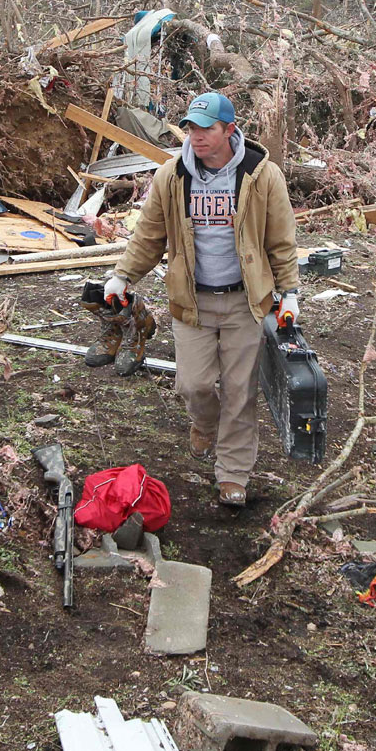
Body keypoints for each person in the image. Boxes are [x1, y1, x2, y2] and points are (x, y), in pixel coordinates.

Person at [105, 91, 299, 507]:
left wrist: (290, 293)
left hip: (245, 303)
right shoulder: (172, 176)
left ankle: (233, 474)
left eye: (206, 129)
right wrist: (122, 275)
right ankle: (203, 424)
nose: (196, 137)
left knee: (239, 391)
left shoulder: (262, 175)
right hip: (191, 302)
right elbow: (149, 236)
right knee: (192, 385)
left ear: (230, 129)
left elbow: (281, 241)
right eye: (191, 128)